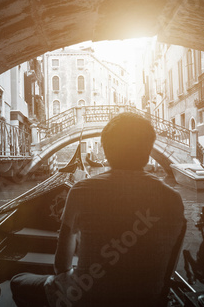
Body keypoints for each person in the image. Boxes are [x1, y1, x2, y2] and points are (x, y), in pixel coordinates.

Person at [11, 112, 186, 307]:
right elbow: (169, 267)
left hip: (85, 298)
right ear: (148, 150)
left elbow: (61, 266)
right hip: (147, 300)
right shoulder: (173, 199)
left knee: (18, 281)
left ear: (106, 149)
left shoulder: (81, 190)